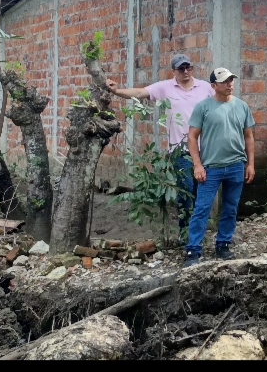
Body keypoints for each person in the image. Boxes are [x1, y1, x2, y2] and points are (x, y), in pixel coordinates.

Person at [106, 53, 214, 238]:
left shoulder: (204, 87)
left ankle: (198, 234)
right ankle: (186, 234)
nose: (186, 72)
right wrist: (117, 91)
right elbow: (139, 93)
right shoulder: (166, 88)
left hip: (206, 150)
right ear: (174, 71)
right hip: (180, 151)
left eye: (188, 67)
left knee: (202, 193)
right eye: (181, 68)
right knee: (186, 191)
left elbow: (221, 102)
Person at [183, 68, 255, 267]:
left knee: (230, 208)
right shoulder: (203, 107)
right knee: (202, 208)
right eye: (225, 81)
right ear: (214, 86)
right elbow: (192, 137)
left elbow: (249, 137)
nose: (230, 84)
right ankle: (193, 249)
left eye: (231, 80)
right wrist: (197, 165)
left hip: (236, 165)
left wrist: (250, 164)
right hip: (210, 167)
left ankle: (223, 244)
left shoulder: (241, 106)